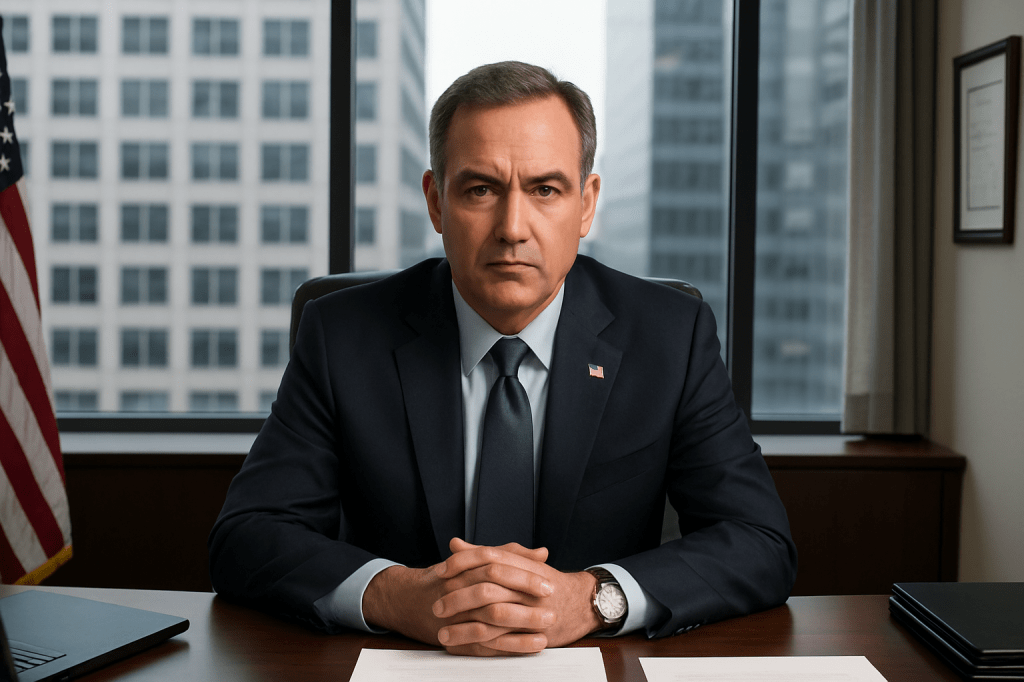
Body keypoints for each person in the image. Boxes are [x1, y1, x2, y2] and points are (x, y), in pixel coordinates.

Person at [208, 61, 797, 656]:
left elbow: (758, 541)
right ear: (436, 202)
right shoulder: (343, 335)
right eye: (480, 190)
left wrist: (595, 599)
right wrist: (396, 595)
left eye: (545, 189)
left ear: (586, 204)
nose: (513, 228)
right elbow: (247, 537)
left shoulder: (669, 335)